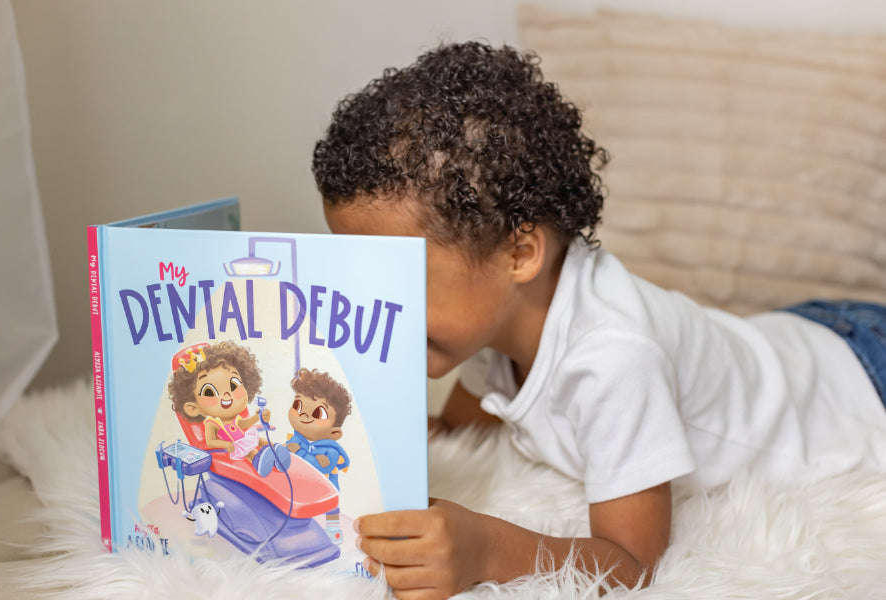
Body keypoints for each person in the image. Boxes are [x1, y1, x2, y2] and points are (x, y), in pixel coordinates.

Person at [311, 41, 886, 599]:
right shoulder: (495, 316)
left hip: (861, 378)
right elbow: (458, 431)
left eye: (401, 277)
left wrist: (485, 548)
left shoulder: (614, 357)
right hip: (794, 336)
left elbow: (632, 562)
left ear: (519, 253)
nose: (379, 305)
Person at [168, 341, 290, 477]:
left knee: (260, 441)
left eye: (234, 384)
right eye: (209, 392)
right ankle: (258, 461)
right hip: (233, 445)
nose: (227, 395)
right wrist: (224, 444)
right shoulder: (211, 424)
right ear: (193, 408)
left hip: (243, 437)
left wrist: (257, 418)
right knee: (250, 451)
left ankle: (277, 451)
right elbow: (210, 442)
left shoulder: (235, 419)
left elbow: (241, 425)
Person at [285, 367, 352, 544]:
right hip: (300, 484)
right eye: (298, 406)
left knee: (331, 508)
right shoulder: (296, 439)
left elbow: (319, 466)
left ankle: (332, 530)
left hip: (326, 486)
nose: (304, 415)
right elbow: (286, 456)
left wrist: (297, 452)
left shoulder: (331, 449)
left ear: (334, 433)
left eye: (318, 413)